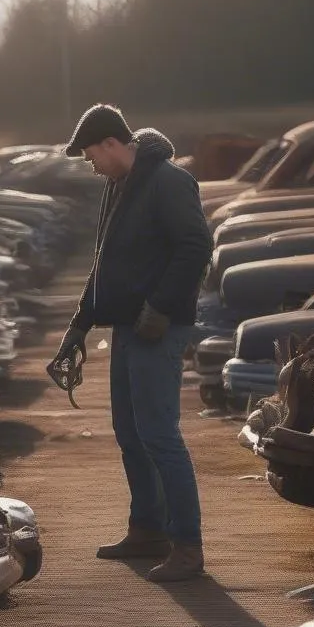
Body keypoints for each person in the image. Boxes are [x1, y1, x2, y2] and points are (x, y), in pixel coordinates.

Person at [49, 103, 213, 581]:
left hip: (157, 328)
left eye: (90, 156)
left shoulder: (168, 181)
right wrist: (79, 324)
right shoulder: (117, 185)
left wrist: (160, 308)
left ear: (111, 144)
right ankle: (147, 529)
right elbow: (105, 263)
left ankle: (187, 546)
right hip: (128, 327)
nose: (90, 165)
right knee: (130, 432)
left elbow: (195, 247)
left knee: (160, 435)